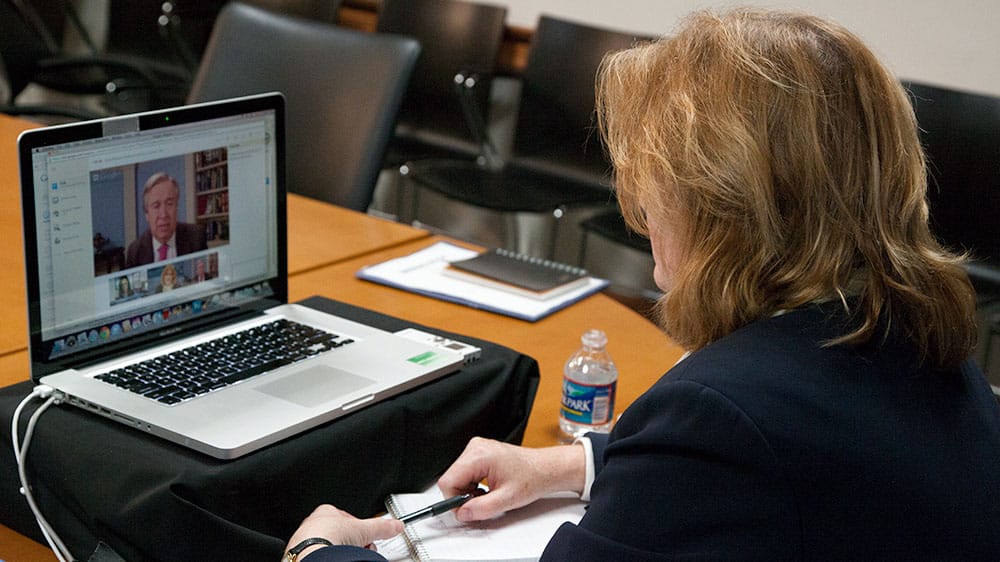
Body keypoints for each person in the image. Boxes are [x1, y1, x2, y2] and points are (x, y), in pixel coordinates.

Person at [285, 9, 1000, 561]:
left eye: (655, 177)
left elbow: (741, 452)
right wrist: (571, 463)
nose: (641, 205)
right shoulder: (913, 332)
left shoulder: (721, 411)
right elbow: (804, 469)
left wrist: (322, 552)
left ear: (718, 201)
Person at [124, 172, 207, 268]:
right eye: (156, 206)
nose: (163, 214)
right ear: (147, 214)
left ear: (177, 207)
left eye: (169, 203)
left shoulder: (196, 237)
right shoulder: (135, 252)